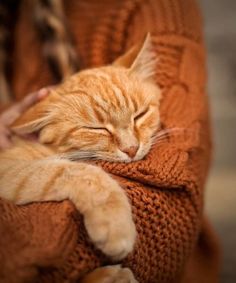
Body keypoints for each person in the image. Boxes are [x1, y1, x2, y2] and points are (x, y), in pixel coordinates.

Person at [0, 0, 220, 282]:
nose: (131, 145)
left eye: (140, 116)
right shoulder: (17, 13)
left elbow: (169, 196)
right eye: (97, 129)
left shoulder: (162, 9)